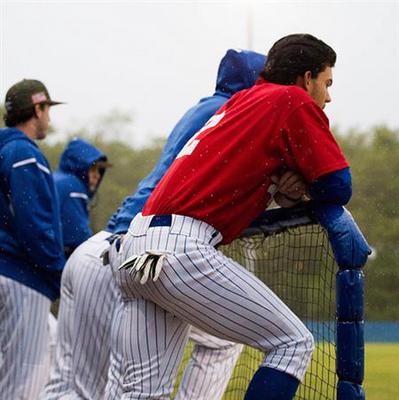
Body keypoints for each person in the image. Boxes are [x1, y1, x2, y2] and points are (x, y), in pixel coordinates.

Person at [112, 33, 352, 400]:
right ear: (307, 79)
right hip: (180, 249)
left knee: (143, 393)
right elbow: (338, 186)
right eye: (326, 82)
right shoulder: (291, 98)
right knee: (292, 343)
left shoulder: (241, 101)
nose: (328, 95)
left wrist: (288, 181)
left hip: (135, 246)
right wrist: (306, 181)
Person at [40, 48, 266, 400]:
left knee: (73, 386)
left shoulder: (203, 108)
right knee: (90, 391)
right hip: (128, 252)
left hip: (102, 251)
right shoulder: (227, 112)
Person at [0, 79, 66, 399]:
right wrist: (58, 273)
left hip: (6, 272)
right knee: (24, 383)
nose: (49, 118)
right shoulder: (23, 153)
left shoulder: (3, 148)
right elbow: (35, 227)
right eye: (47, 109)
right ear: (36, 109)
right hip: (20, 277)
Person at [54, 138, 110, 258]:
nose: (97, 175)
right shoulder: (73, 186)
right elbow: (76, 236)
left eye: (100, 170)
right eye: (93, 168)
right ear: (80, 166)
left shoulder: (58, 179)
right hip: (54, 261)